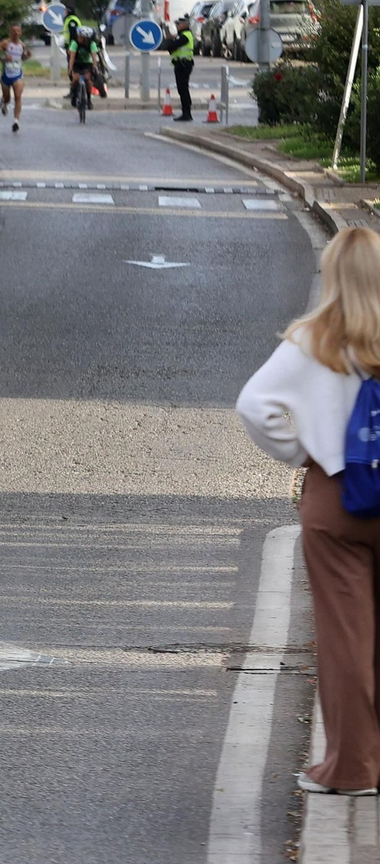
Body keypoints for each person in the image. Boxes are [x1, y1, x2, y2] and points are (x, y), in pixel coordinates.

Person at [236, 227, 380, 796]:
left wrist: (301, 453)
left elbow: (254, 405)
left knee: (346, 636)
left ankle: (352, 769)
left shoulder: (310, 341)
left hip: (337, 497)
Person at [161, 15, 196, 122]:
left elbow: (171, 46)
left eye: (179, 24)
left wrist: (170, 41)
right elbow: (171, 45)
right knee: (182, 89)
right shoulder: (182, 35)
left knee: (183, 89)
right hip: (181, 64)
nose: (177, 26)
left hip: (184, 65)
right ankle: (186, 112)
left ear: (184, 25)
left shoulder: (185, 36)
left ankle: (187, 113)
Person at [0, 23, 32, 133]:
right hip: (6, 74)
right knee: (7, 97)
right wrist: (3, 58)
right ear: (10, 32)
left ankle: (16, 121)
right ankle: (4, 104)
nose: (16, 33)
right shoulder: (5, 43)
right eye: (14, 31)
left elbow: (22, 58)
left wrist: (27, 56)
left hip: (17, 74)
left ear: (20, 32)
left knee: (18, 96)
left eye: (18, 31)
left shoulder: (22, 45)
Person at [67, 25, 106, 109]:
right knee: (76, 79)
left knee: (88, 80)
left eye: (80, 36)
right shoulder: (75, 43)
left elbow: (94, 58)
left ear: (86, 38)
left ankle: (88, 99)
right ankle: (74, 95)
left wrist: (95, 67)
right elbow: (72, 57)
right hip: (77, 63)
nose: (79, 38)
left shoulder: (92, 44)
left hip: (87, 64)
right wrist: (70, 68)